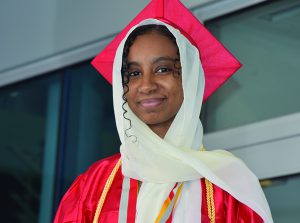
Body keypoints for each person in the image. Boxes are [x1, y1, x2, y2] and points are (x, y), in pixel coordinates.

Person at [54, 0, 273, 222]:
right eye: (133, 73)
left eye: (163, 69)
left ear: (189, 78)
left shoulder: (230, 186)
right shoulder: (93, 186)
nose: (147, 85)